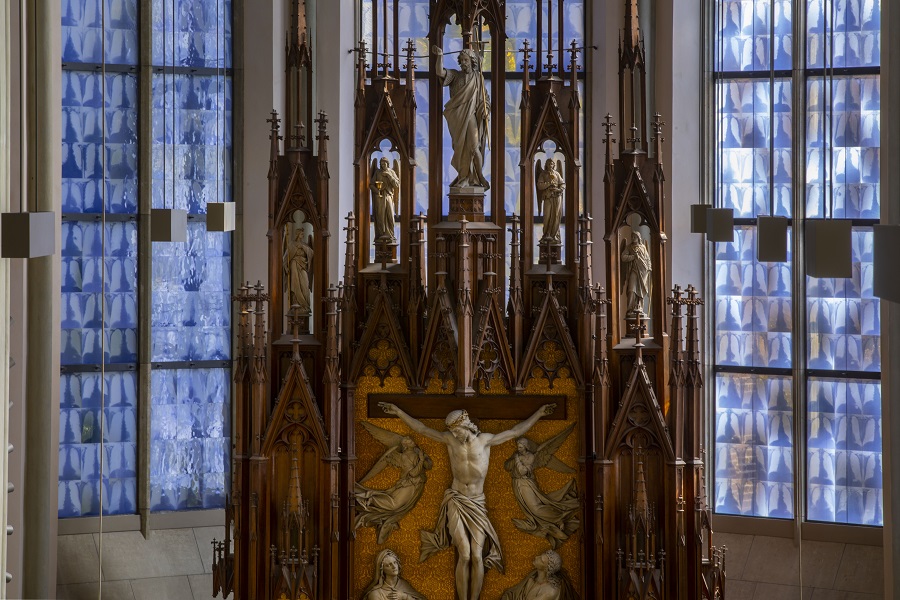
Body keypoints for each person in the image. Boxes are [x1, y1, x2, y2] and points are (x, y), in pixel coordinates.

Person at [378, 402, 557, 600]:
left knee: (477, 556)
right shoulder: (450, 440)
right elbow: (421, 429)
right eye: (452, 432)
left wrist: (539, 413)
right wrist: (398, 412)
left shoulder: (485, 441)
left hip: (477, 502)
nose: (455, 435)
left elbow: (515, 431)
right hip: (456, 499)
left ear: (466, 425)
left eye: (457, 431)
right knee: (464, 555)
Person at [504, 427, 580, 549]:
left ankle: (560, 517)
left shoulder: (530, 457)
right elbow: (507, 466)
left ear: (526, 447)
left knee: (536, 509)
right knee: (531, 511)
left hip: (526, 484)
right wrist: (514, 458)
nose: (518, 448)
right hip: (517, 485)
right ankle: (552, 521)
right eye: (517, 446)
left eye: (520, 446)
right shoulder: (516, 455)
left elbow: (523, 471)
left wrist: (517, 460)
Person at [355, 429, 433, 545]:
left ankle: (384, 520)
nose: (412, 441)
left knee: (398, 509)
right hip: (409, 484)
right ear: (405, 446)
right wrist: (421, 460)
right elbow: (413, 473)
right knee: (394, 505)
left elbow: (429, 466)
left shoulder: (417, 453)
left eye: (411, 440)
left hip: (416, 485)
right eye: (409, 441)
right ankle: (369, 500)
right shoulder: (405, 456)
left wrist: (425, 458)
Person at [432, 45, 490, 189]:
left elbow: (485, 98)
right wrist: (440, 55)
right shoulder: (455, 75)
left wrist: (485, 108)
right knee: (461, 148)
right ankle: (464, 177)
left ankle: (479, 177)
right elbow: (439, 72)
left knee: (474, 147)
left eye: (466, 60)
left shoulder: (478, 77)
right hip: (456, 118)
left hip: (470, 116)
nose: (463, 63)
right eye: (461, 60)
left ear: (472, 61)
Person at [500, 550, 579, 600]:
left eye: (541, 560)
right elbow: (512, 593)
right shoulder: (531, 579)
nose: (536, 557)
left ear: (546, 569)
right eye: (540, 556)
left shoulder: (552, 590)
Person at [361, 549, 427, 600]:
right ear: (382, 570)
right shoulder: (376, 594)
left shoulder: (404, 585)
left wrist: (405, 596)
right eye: (389, 565)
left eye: (395, 562)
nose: (394, 566)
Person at [370, 157, 401, 241]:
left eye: (384, 164)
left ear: (387, 164)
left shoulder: (392, 172)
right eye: (381, 164)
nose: (383, 165)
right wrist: (376, 190)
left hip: (388, 196)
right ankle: (380, 234)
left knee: (390, 215)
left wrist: (389, 175)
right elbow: (371, 184)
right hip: (379, 197)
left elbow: (397, 185)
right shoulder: (377, 172)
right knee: (380, 215)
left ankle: (390, 234)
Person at [621, 230, 652, 314]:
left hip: (643, 271)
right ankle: (630, 309)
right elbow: (623, 257)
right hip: (634, 270)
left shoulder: (643, 247)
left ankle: (640, 308)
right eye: (632, 237)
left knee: (641, 290)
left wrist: (649, 268)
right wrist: (633, 256)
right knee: (631, 289)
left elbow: (647, 258)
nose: (633, 238)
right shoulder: (629, 247)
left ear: (638, 238)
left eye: (635, 237)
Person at [283, 229, 313, 313]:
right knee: (295, 285)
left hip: (303, 267)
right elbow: (285, 258)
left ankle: (305, 306)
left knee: (305, 285)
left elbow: (312, 253)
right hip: (294, 266)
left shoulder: (304, 245)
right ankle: (296, 304)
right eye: (301, 234)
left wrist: (303, 247)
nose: (302, 236)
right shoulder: (291, 244)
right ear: (297, 234)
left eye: (303, 234)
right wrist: (286, 267)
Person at [536, 159, 565, 244]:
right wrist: (548, 184)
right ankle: (546, 234)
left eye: (552, 164)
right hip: (548, 197)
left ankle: (554, 235)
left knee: (556, 215)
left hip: (557, 196)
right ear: (546, 165)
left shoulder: (557, 174)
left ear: (554, 165)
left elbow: (562, 183)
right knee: (547, 216)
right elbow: (539, 185)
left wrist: (559, 189)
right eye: (549, 163)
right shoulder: (543, 174)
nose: (550, 165)